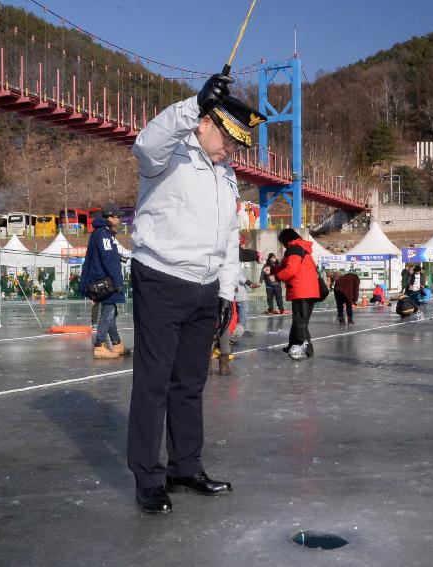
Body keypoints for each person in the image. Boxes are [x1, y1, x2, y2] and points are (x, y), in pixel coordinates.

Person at [126, 73, 266, 514]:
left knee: (190, 383)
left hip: (204, 289)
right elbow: (145, 143)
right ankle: (148, 477)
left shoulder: (226, 178)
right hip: (161, 278)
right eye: (229, 138)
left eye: (239, 145)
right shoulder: (168, 157)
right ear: (205, 123)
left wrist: (226, 292)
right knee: (153, 384)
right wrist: (193, 103)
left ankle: (185, 465)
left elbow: (227, 238)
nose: (233, 150)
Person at [79, 203, 127, 359]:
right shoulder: (104, 234)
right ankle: (99, 345)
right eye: (118, 217)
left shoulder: (102, 233)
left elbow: (105, 255)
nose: (119, 220)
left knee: (111, 311)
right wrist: (118, 281)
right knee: (109, 311)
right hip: (105, 280)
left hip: (102, 277)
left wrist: (117, 256)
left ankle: (117, 344)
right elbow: (108, 260)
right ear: (110, 217)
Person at [272, 228, 320, 359]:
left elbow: (290, 270)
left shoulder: (294, 249)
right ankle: (292, 343)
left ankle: (304, 346)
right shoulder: (301, 248)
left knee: (300, 322)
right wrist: (273, 269)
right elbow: (287, 266)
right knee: (299, 320)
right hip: (310, 290)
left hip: (301, 290)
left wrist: (276, 277)